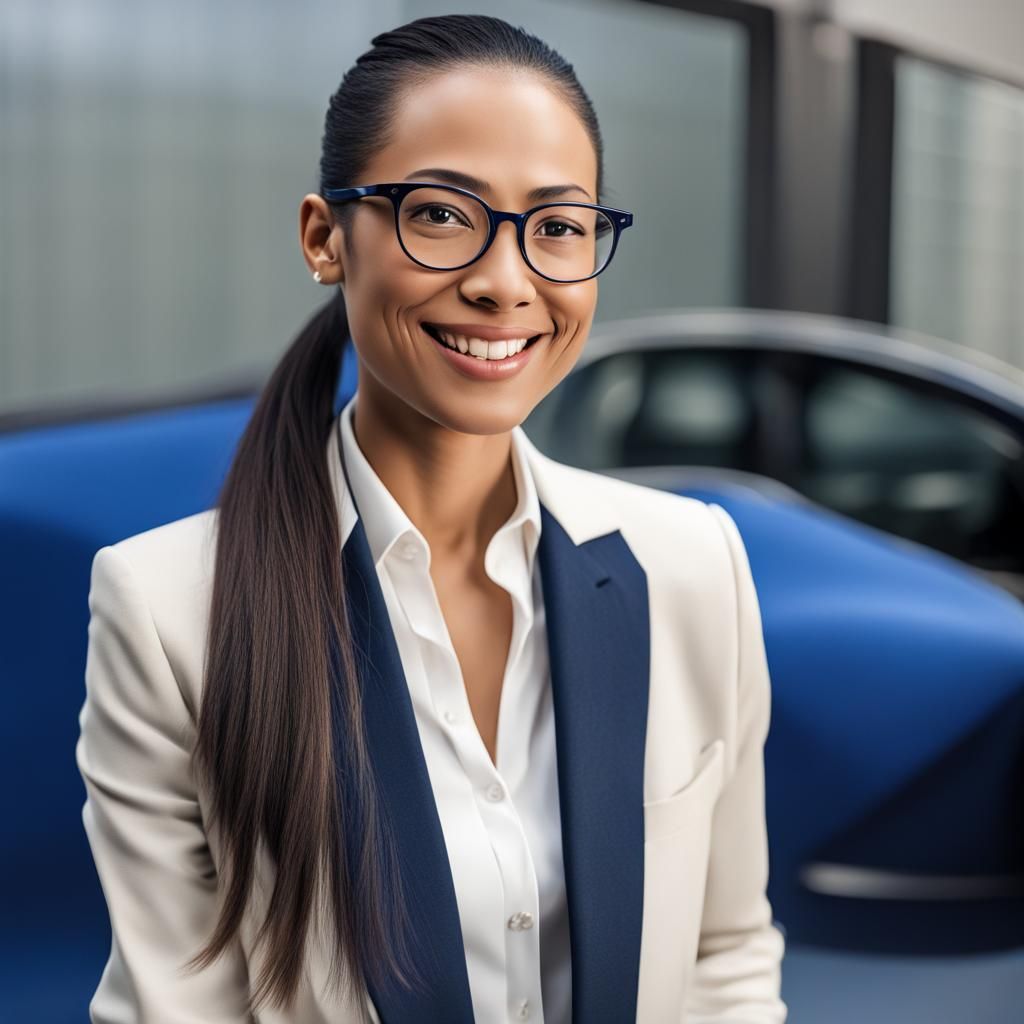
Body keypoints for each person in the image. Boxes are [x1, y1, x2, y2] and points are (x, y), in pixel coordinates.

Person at [75, 13, 787, 1024]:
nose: (505, 282)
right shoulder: (168, 611)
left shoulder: (692, 565)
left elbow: (723, 957)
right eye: (443, 214)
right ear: (326, 237)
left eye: (557, 226)